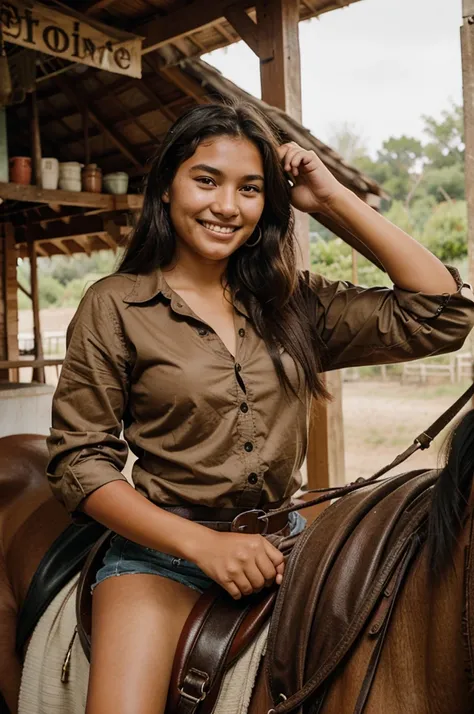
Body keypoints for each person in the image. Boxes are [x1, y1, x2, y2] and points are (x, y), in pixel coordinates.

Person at [46, 101, 474, 714]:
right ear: (167, 186)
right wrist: (202, 545)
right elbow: (79, 462)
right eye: (206, 180)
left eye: (249, 189)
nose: (227, 206)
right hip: (160, 561)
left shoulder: (292, 302)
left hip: (290, 548)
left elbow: (441, 314)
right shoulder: (114, 304)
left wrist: (330, 200)